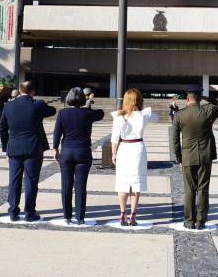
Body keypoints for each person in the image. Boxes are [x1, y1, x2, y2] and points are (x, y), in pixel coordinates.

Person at [0, 81, 56, 222]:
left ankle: (13, 211)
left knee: (14, 180)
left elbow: (2, 129)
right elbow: (52, 111)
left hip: (14, 148)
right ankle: (29, 213)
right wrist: (40, 103)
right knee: (31, 180)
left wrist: (6, 148)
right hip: (33, 148)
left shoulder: (8, 106)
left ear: (19, 90)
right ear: (33, 91)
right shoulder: (37, 105)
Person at [172, 93, 218, 230]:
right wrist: (209, 98)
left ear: (187, 100)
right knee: (203, 188)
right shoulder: (208, 110)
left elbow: (175, 141)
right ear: (199, 99)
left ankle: (189, 220)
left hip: (187, 157)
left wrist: (179, 158)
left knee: (189, 190)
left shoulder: (179, 115)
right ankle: (201, 221)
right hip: (205, 156)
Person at [53, 87, 105, 224]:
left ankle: (67, 216)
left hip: (67, 151)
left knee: (66, 185)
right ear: (83, 99)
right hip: (83, 151)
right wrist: (89, 102)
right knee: (81, 186)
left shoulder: (62, 113)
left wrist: (55, 149)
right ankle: (80, 217)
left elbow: (57, 133)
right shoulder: (87, 114)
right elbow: (101, 114)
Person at [111, 88, 157, 226]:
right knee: (136, 184)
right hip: (138, 148)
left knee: (123, 183)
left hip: (124, 148)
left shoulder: (119, 116)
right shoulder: (143, 115)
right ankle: (133, 215)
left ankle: (122, 213)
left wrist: (114, 154)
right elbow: (157, 117)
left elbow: (114, 138)